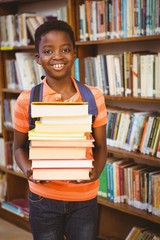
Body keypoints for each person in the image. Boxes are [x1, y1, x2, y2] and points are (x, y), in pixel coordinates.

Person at [13, 20, 107, 240]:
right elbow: (18, 147)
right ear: (37, 58)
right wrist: (28, 169)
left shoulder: (93, 96)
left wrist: (96, 172)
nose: (57, 56)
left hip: (84, 199)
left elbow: (102, 146)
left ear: (74, 54)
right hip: (43, 198)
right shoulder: (26, 100)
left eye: (65, 49)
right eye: (48, 51)